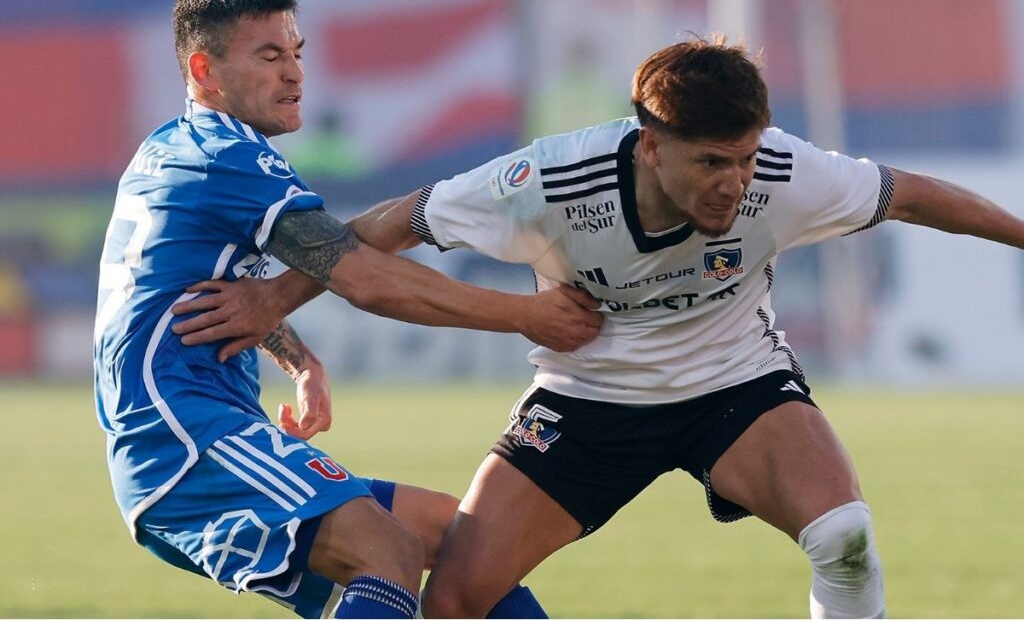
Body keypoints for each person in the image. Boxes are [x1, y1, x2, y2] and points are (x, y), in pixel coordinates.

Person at [172, 35, 1024, 619]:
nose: (735, 182)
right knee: (458, 599)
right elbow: (398, 222)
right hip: (585, 402)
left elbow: (910, 193)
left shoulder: (787, 171)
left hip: (737, 385)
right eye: (711, 162)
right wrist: (273, 300)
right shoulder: (548, 178)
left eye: (746, 156)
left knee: (843, 535)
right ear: (650, 147)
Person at [93, 0, 602, 619]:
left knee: (460, 539)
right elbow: (362, 276)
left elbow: (221, 290)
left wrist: (297, 359)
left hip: (190, 437)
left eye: (298, 52)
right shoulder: (227, 157)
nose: (295, 73)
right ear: (205, 68)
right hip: (186, 441)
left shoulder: (174, 146)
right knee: (384, 548)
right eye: (269, 56)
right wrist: (526, 315)